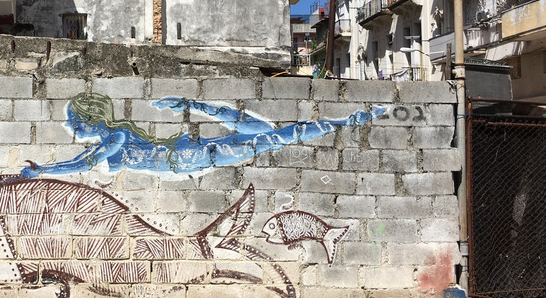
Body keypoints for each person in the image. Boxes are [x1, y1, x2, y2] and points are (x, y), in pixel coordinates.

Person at [19, 93, 383, 177]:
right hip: (195, 154)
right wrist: (193, 105)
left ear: (90, 119)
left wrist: (42, 172)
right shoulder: (118, 137)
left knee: (273, 136)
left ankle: (354, 120)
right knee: (271, 134)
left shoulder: (115, 139)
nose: (72, 128)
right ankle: (352, 120)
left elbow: (84, 162)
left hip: (196, 156)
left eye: (75, 121)